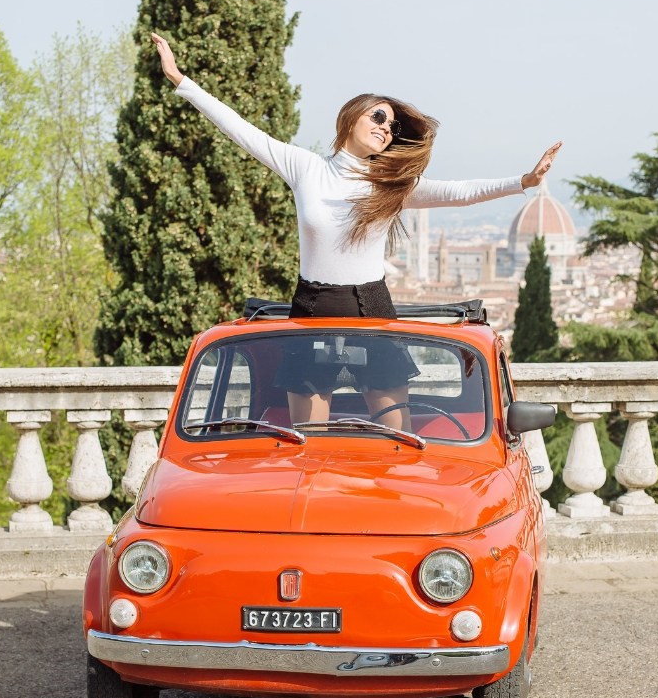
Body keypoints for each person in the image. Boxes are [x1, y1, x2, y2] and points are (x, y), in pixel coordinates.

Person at [151, 33, 561, 430]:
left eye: (392, 125)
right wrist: (180, 80)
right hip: (311, 308)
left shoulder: (390, 186)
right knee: (307, 440)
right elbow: (240, 129)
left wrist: (524, 181)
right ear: (350, 118)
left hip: (372, 307)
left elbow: (459, 192)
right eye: (378, 116)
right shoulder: (305, 168)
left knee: (396, 436)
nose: (386, 127)